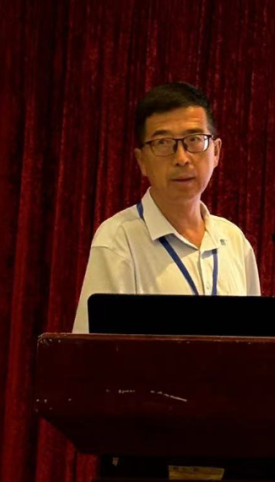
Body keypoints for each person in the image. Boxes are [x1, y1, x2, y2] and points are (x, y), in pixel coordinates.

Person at [72, 82, 259, 333]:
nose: (181, 158)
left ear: (215, 152)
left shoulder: (234, 241)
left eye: (194, 140)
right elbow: (92, 350)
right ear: (141, 161)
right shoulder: (119, 240)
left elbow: (257, 345)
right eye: (163, 143)